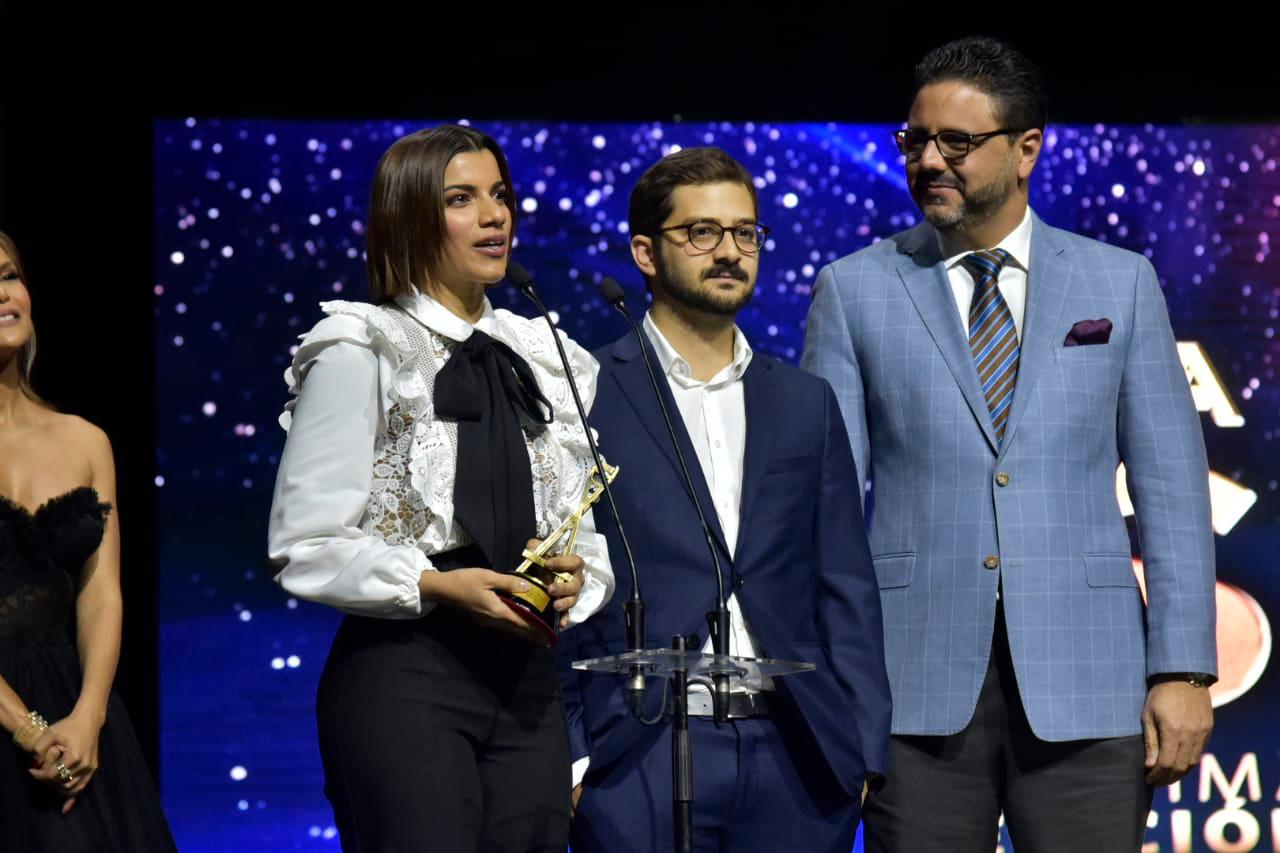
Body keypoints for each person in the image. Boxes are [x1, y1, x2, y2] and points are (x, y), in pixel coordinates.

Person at [802, 36, 1217, 851]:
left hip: (1090, 681)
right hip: (909, 684)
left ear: (1027, 149)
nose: (928, 160)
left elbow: (1171, 486)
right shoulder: (854, 289)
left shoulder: (1119, 281)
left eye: (956, 142)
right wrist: (835, 681)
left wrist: (1182, 669)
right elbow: (828, 506)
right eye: (914, 140)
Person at [267, 125, 615, 852]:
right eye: (463, 199)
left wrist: (575, 582)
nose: (496, 216)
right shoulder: (363, 347)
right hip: (407, 670)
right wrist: (437, 584)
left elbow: (585, 534)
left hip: (527, 681)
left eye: (501, 195)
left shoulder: (547, 357)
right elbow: (304, 544)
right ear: (412, 215)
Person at [561, 147, 890, 853]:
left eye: (746, 233)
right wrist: (575, 754)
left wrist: (860, 745)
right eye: (701, 233)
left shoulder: (805, 402)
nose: (730, 252)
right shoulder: (582, 391)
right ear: (645, 252)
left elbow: (846, 584)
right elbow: (557, 581)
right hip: (641, 749)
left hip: (798, 756)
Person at [0, 231, 178, 851]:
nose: (4, 296)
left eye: (7, 276)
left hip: (78, 720)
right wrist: (32, 731)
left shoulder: (85, 440)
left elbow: (100, 595)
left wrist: (88, 719)